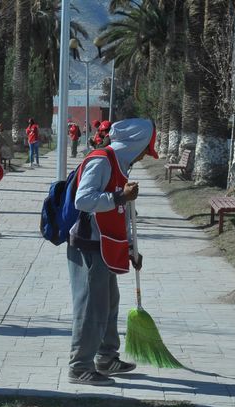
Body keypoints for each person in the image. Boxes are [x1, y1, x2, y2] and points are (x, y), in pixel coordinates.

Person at [66, 118, 158, 386]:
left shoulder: (121, 165)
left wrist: (130, 247)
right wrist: (119, 197)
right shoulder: (101, 161)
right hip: (88, 244)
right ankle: (79, 367)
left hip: (106, 244)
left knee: (109, 303)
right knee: (91, 307)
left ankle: (106, 357)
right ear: (135, 144)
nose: (144, 156)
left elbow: (121, 213)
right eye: (145, 150)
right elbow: (83, 200)